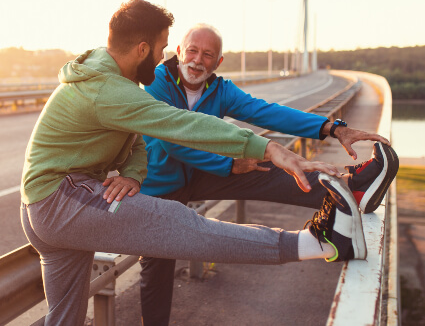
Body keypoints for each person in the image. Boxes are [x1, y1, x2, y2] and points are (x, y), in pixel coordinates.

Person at [138, 23, 399, 325]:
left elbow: (268, 112)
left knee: (267, 166)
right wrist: (229, 164)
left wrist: (333, 128)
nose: (198, 60)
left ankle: (353, 190)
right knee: (158, 262)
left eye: (208, 55)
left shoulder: (220, 90)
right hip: (158, 185)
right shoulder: (157, 82)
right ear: (180, 51)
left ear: (219, 62)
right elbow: (172, 140)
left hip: (199, 172)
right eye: (193, 51)